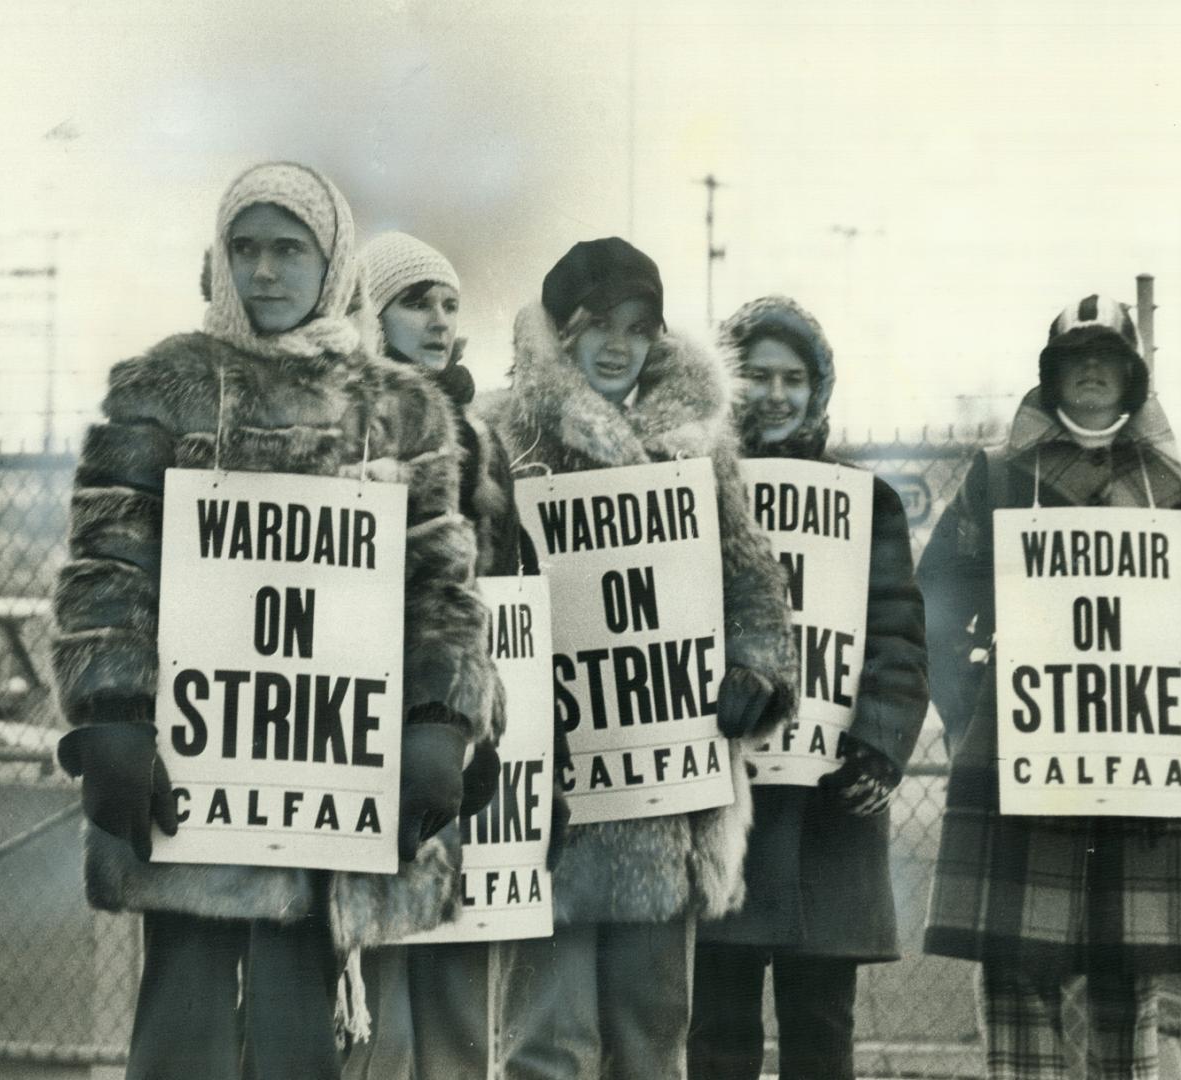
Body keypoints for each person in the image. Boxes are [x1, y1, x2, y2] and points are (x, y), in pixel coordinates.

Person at [50, 162, 493, 1080]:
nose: (263, 272)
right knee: (184, 1031)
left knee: (301, 1040)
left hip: (330, 782)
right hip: (193, 773)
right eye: (242, 248)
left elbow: (439, 589)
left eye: (287, 249)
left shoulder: (401, 411)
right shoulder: (162, 389)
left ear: (330, 263)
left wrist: (441, 723)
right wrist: (113, 715)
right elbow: (108, 565)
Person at [479, 237, 800, 1080]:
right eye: (596, 326)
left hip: (664, 796)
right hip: (554, 795)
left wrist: (758, 675)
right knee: (550, 1043)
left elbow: (753, 585)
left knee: (654, 1035)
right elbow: (471, 598)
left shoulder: (699, 447)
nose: (617, 345)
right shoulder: (505, 441)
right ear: (559, 332)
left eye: (637, 326)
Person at [916, 295, 1181, 1079]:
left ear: (1132, 376)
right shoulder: (996, 477)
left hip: (1135, 773)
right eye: (1075, 356)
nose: (1091, 369)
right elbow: (937, 598)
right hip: (1019, 765)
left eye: (1108, 357)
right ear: (1051, 373)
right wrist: (975, 717)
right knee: (1015, 989)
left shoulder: (1175, 486)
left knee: (1126, 1000)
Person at [687, 296, 929, 1080]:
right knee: (716, 1025)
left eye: (794, 378)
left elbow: (896, 638)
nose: (776, 395)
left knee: (820, 1025)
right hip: (726, 793)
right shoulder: (693, 490)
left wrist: (881, 744)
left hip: (830, 803)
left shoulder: (866, 503)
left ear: (818, 390)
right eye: (754, 375)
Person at [343, 230, 562, 1079]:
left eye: (446, 304)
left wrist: (506, 741)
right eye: (412, 302)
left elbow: (510, 607)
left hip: (470, 751)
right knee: (379, 1027)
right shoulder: (352, 430)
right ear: (369, 313)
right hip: (375, 754)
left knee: (462, 1028)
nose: (436, 320)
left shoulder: (481, 442)